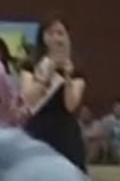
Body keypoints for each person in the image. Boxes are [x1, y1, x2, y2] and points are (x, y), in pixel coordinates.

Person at [19, 16, 89, 172]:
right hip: (38, 129)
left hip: (66, 132)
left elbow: (71, 105)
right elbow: (29, 99)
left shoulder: (75, 68)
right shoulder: (30, 64)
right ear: (42, 36)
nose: (55, 38)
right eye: (50, 33)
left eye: (60, 33)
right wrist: (46, 72)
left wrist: (67, 76)